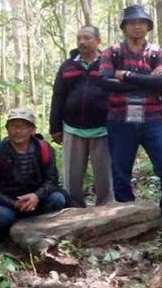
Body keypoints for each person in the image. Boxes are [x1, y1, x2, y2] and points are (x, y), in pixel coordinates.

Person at [99, 4, 162, 229]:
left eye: (141, 22)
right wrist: (146, 80)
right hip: (119, 118)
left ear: (148, 26)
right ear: (125, 27)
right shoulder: (112, 52)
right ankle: (128, 213)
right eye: (132, 22)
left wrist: (125, 75)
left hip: (153, 118)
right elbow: (104, 81)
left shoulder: (157, 52)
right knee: (120, 169)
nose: (137, 26)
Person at [0, 108, 68, 242]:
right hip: (5, 203)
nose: (18, 131)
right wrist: (14, 203)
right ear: (7, 129)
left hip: (36, 200)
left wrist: (37, 196)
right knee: (1, 217)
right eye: (13, 127)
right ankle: (4, 234)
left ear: (32, 130)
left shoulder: (44, 149)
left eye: (23, 127)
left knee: (57, 199)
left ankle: (39, 228)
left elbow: (51, 179)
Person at [49, 25, 113, 207]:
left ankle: (106, 210)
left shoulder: (108, 64)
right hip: (72, 127)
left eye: (87, 38)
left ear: (98, 41)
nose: (82, 42)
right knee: (72, 176)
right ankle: (73, 209)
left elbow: (117, 94)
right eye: (79, 38)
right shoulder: (68, 66)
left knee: (105, 175)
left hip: (102, 128)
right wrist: (55, 127)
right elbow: (58, 96)